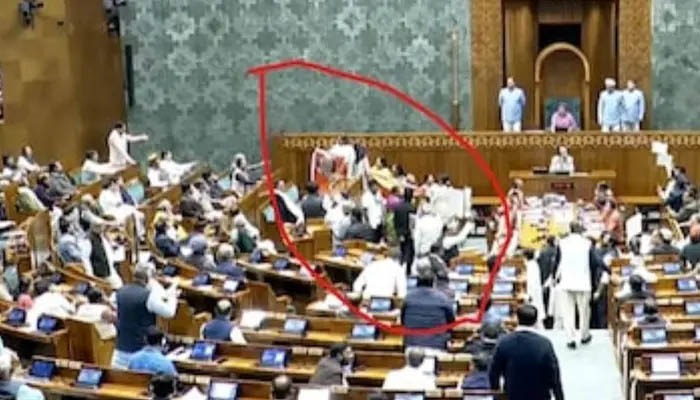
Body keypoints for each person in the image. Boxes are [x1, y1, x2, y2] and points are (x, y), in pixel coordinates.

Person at [489, 304, 564, 400]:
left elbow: (494, 373)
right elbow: (554, 375)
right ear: (536, 320)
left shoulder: (504, 342)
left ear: (517, 319)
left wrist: (497, 397)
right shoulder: (545, 344)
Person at [112, 262, 178, 369]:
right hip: (140, 355)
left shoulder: (120, 291)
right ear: (148, 279)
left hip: (119, 350)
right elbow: (169, 313)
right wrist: (173, 296)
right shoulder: (148, 296)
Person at [556, 221, 600, 349]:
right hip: (583, 282)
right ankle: (584, 335)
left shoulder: (562, 243)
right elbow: (595, 261)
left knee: (568, 312)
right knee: (584, 311)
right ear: (581, 230)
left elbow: (557, 262)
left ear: (570, 229)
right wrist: (607, 270)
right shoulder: (587, 243)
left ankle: (570, 339)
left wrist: (554, 277)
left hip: (566, 282)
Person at [402, 272, 455, 351]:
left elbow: (403, 321)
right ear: (433, 283)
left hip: (412, 347)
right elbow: (451, 323)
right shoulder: (443, 298)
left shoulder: (408, 298)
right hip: (436, 348)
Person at [88, 221, 123, 289]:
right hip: (102, 272)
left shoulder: (102, 237)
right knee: (118, 285)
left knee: (118, 285)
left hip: (108, 269)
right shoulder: (92, 239)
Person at [393, 189, 416, 269]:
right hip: (408, 233)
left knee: (402, 249)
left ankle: (401, 264)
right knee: (409, 251)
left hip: (399, 232)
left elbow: (395, 220)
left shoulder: (398, 206)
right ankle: (407, 268)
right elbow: (412, 222)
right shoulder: (412, 208)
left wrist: (397, 231)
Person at [524, 249, 545, 328]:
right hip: (536, 292)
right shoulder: (534, 264)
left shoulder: (530, 266)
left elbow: (531, 282)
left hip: (533, 293)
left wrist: (529, 295)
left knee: (535, 313)